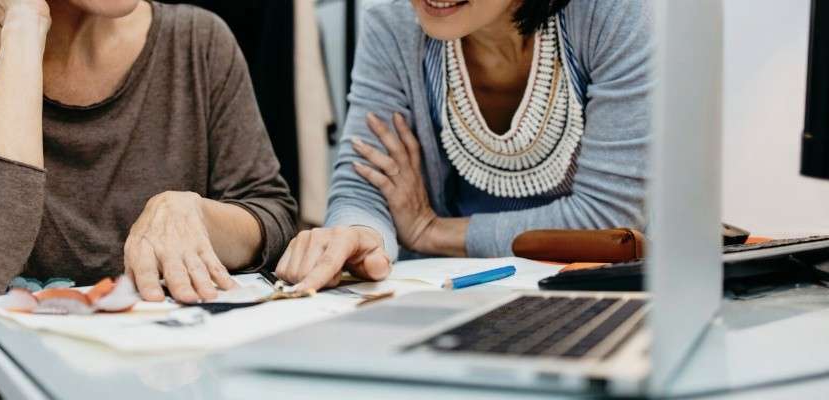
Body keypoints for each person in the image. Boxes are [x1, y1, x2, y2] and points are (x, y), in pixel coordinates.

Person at [0, 0, 296, 397]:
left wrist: (195, 214)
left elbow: (271, 215)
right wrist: (24, 30)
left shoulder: (199, 41)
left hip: (178, 384)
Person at [275, 0, 651, 290]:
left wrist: (432, 231)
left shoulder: (613, 14)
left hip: (600, 300)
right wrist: (359, 234)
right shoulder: (392, 26)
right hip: (449, 301)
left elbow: (610, 221)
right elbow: (365, 184)